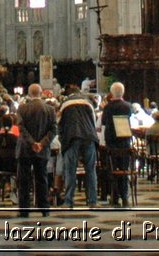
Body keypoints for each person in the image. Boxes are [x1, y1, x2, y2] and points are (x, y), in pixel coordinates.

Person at [15, 82, 54, 218]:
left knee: (23, 180)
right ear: (41, 93)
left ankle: (24, 210)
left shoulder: (22, 108)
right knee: (42, 179)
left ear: (29, 94)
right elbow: (53, 130)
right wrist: (41, 144)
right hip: (41, 150)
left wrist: (32, 143)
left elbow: (21, 128)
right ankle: (44, 209)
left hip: (25, 149)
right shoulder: (50, 109)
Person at [57, 85, 99, 210]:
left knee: (70, 170)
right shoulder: (88, 102)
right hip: (89, 136)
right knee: (90, 169)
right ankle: (92, 201)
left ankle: (68, 201)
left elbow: (59, 123)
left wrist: (62, 140)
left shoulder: (65, 104)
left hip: (71, 137)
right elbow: (94, 120)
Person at [99, 82, 133, 207]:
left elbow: (103, 123)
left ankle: (114, 196)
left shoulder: (108, 107)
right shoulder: (127, 106)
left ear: (112, 93)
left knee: (112, 170)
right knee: (124, 169)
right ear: (123, 93)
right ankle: (124, 197)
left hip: (111, 141)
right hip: (124, 140)